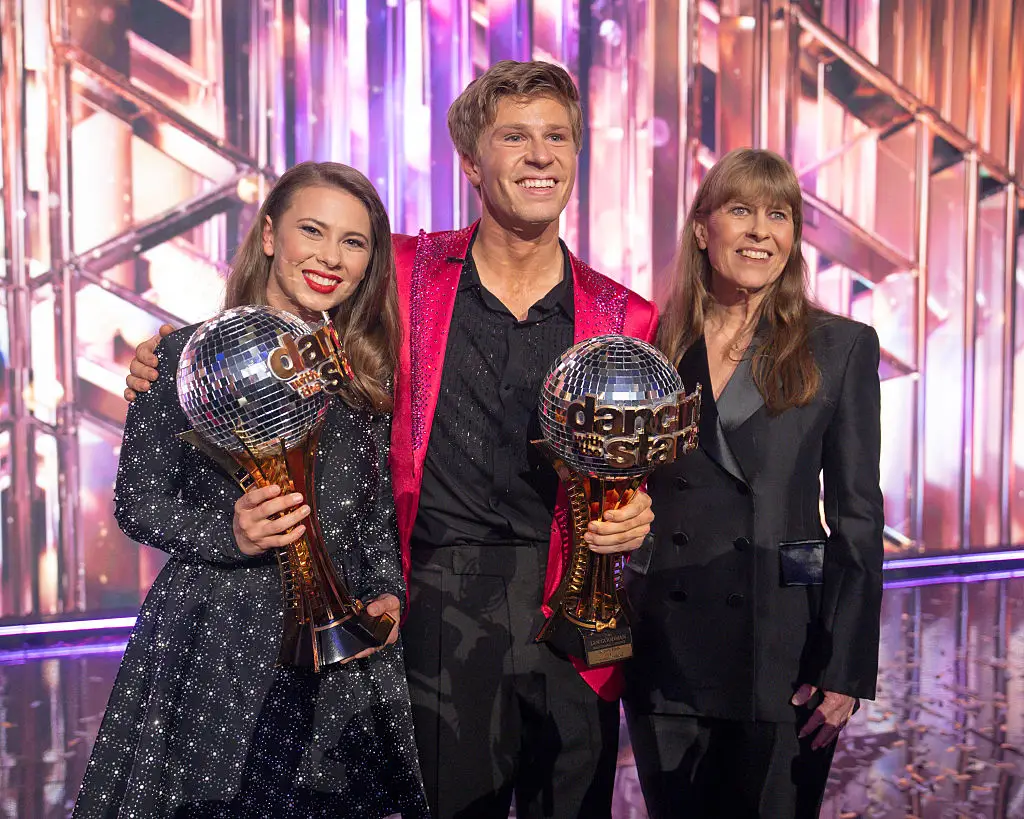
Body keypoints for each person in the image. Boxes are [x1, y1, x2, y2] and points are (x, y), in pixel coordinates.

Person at [124, 60, 657, 819]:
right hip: (435, 599)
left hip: (570, 603)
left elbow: (640, 466)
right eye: (515, 137)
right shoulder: (403, 272)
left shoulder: (626, 313)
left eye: (557, 137)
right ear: (472, 163)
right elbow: (289, 311)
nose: (541, 155)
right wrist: (173, 355)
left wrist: (639, 516)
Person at [76, 161, 428, 819]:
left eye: (354, 241)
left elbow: (373, 512)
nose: (330, 257)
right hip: (216, 646)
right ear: (269, 235)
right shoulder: (181, 359)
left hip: (338, 655)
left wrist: (387, 591)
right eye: (312, 231)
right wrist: (228, 533)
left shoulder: (362, 373)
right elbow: (138, 500)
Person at [622, 147, 884, 818]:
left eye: (779, 214)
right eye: (741, 210)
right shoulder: (654, 343)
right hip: (667, 643)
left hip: (784, 643)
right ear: (703, 229)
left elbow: (856, 517)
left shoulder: (840, 345)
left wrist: (845, 667)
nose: (761, 231)